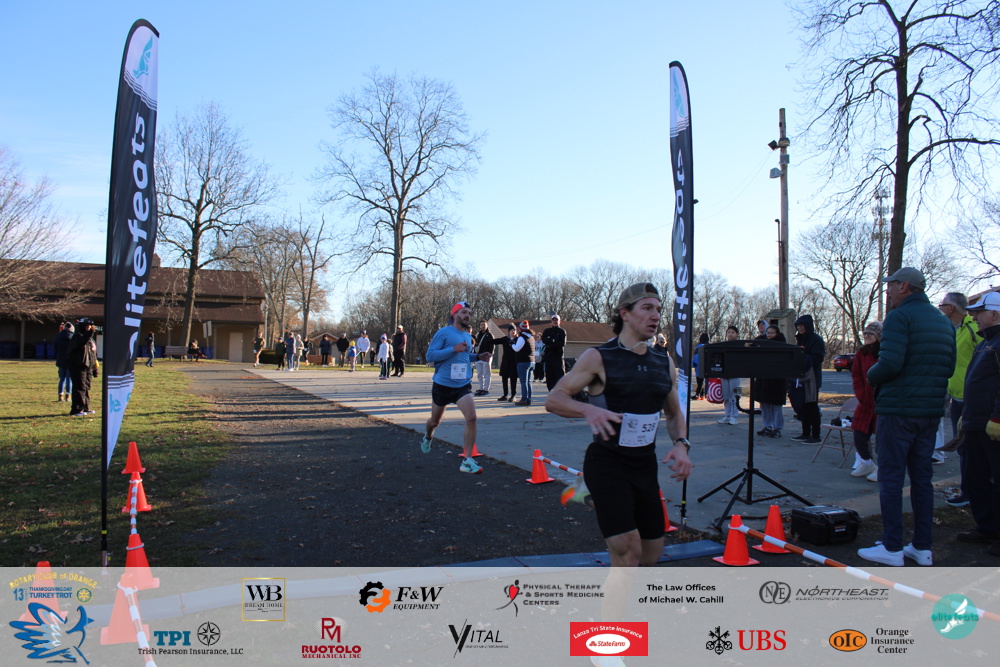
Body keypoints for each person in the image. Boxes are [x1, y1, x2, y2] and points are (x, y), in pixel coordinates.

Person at [544, 283, 692, 621]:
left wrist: (681, 445)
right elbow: (555, 399)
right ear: (624, 313)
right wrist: (588, 409)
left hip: (645, 466)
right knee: (627, 554)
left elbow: (673, 414)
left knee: (651, 554)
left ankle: (586, 494)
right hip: (607, 463)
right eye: (647, 308)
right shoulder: (599, 357)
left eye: (658, 309)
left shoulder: (663, 361)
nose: (656, 316)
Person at [857, 267, 955, 567]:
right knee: (922, 479)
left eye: (891, 285)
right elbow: (949, 367)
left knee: (890, 477)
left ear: (904, 286)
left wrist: (871, 375)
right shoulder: (943, 321)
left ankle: (892, 547)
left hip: (898, 410)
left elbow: (889, 364)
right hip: (930, 412)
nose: (887, 291)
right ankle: (922, 547)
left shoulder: (899, 317)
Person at [420, 302, 492, 473]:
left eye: (469, 313)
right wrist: (453, 349)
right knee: (434, 421)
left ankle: (467, 460)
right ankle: (428, 436)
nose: (467, 316)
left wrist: (478, 356)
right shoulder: (443, 333)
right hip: (443, 385)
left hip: (462, 385)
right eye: (464, 312)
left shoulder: (467, 336)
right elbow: (430, 356)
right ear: (455, 315)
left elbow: (464, 357)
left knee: (471, 418)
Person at [956, 291, 1000, 558]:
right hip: (975, 423)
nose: (974, 317)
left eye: (979, 312)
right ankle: (987, 527)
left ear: (995, 314)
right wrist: (967, 414)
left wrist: (997, 417)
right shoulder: (986, 343)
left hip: (993, 427)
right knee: (975, 478)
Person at [938, 292, 979, 506]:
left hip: (973, 400)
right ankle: (967, 492)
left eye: (942, 305)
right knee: (961, 447)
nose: (940, 308)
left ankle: (976, 494)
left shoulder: (974, 328)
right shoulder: (953, 330)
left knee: (973, 449)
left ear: (951, 308)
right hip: (956, 399)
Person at [849, 322, 882, 481]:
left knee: (883, 436)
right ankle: (867, 462)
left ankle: (883, 468)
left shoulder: (885, 352)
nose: (867, 336)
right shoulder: (861, 353)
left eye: (871, 333)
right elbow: (856, 375)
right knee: (859, 433)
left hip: (882, 401)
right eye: (865, 333)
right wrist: (861, 394)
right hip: (866, 401)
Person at [790, 314, 826, 445]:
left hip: (812, 378)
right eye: (798, 326)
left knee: (812, 406)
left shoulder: (816, 340)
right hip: (800, 377)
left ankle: (816, 435)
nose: (800, 328)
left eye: (802, 325)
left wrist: (804, 359)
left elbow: (818, 358)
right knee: (802, 405)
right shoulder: (800, 340)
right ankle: (805, 433)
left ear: (808, 326)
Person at [755, 325, 787, 438]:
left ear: (777, 334)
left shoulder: (781, 344)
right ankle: (767, 426)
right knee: (765, 404)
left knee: (776, 405)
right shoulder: (762, 343)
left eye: (772, 333)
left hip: (777, 380)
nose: (769, 335)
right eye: (768, 333)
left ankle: (777, 427)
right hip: (764, 379)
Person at [67, 318, 98, 416]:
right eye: (87, 326)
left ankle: (85, 407)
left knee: (86, 387)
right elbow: (81, 342)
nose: (89, 327)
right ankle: (77, 409)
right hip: (78, 365)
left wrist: (95, 367)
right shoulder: (78, 336)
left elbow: (92, 353)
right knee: (79, 387)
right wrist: (90, 333)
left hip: (88, 366)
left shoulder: (90, 338)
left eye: (90, 326)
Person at [717, 326, 741, 425]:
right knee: (726, 396)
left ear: (736, 334)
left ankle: (734, 416)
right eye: (729, 332)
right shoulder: (723, 345)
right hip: (724, 373)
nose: (730, 334)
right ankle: (727, 415)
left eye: (732, 332)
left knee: (734, 396)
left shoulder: (738, 345)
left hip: (734, 373)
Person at [541, 314, 567, 391]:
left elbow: (562, 343)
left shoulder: (562, 331)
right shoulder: (547, 331)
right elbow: (544, 340)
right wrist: (553, 341)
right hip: (548, 357)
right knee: (549, 377)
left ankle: (561, 392)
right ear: (551, 321)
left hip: (558, 357)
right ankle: (551, 392)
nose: (555, 322)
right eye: (553, 320)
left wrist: (551, 343)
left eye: (556, 320)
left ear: (559, 321)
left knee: (559, 376)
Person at [513, 321, 535, 406]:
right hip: (531, 361)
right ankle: (528, 398)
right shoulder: (531, 337)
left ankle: (524, 399)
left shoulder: (522, 337)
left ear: (520, 328)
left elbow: (517, 348)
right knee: (529, 381)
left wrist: (512, 344)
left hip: (523, 361)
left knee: (523, 381)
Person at [473, 320, 495, 396]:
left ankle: (486, 389)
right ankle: (481, 388)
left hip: (486, 357)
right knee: (479, 374)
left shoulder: (489, 335)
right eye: (481, 325)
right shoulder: (478, 335)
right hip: (479, 356)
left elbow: (492, 346)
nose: (483, 326)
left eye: (484, 325)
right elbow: (475, 345)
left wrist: (490, 355)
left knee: (487, 374)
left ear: (487, 326)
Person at [54, 322, 74, 401]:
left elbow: (55, 348)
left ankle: (60, 395)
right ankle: (68, 395)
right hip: (70, 360)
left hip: (61, 359)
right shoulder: (73, 337)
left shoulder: (58, 336)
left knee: (62, 379)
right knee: (69, 379)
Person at [693, 332, 709, 399]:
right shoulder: (709, 346)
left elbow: (696, 357)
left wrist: (694, 363)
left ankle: (698, 394)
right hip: (707, 366)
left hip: (699, 367)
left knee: (699, 382)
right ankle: (703, 394)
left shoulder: (699, 347)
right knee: (706, 381)